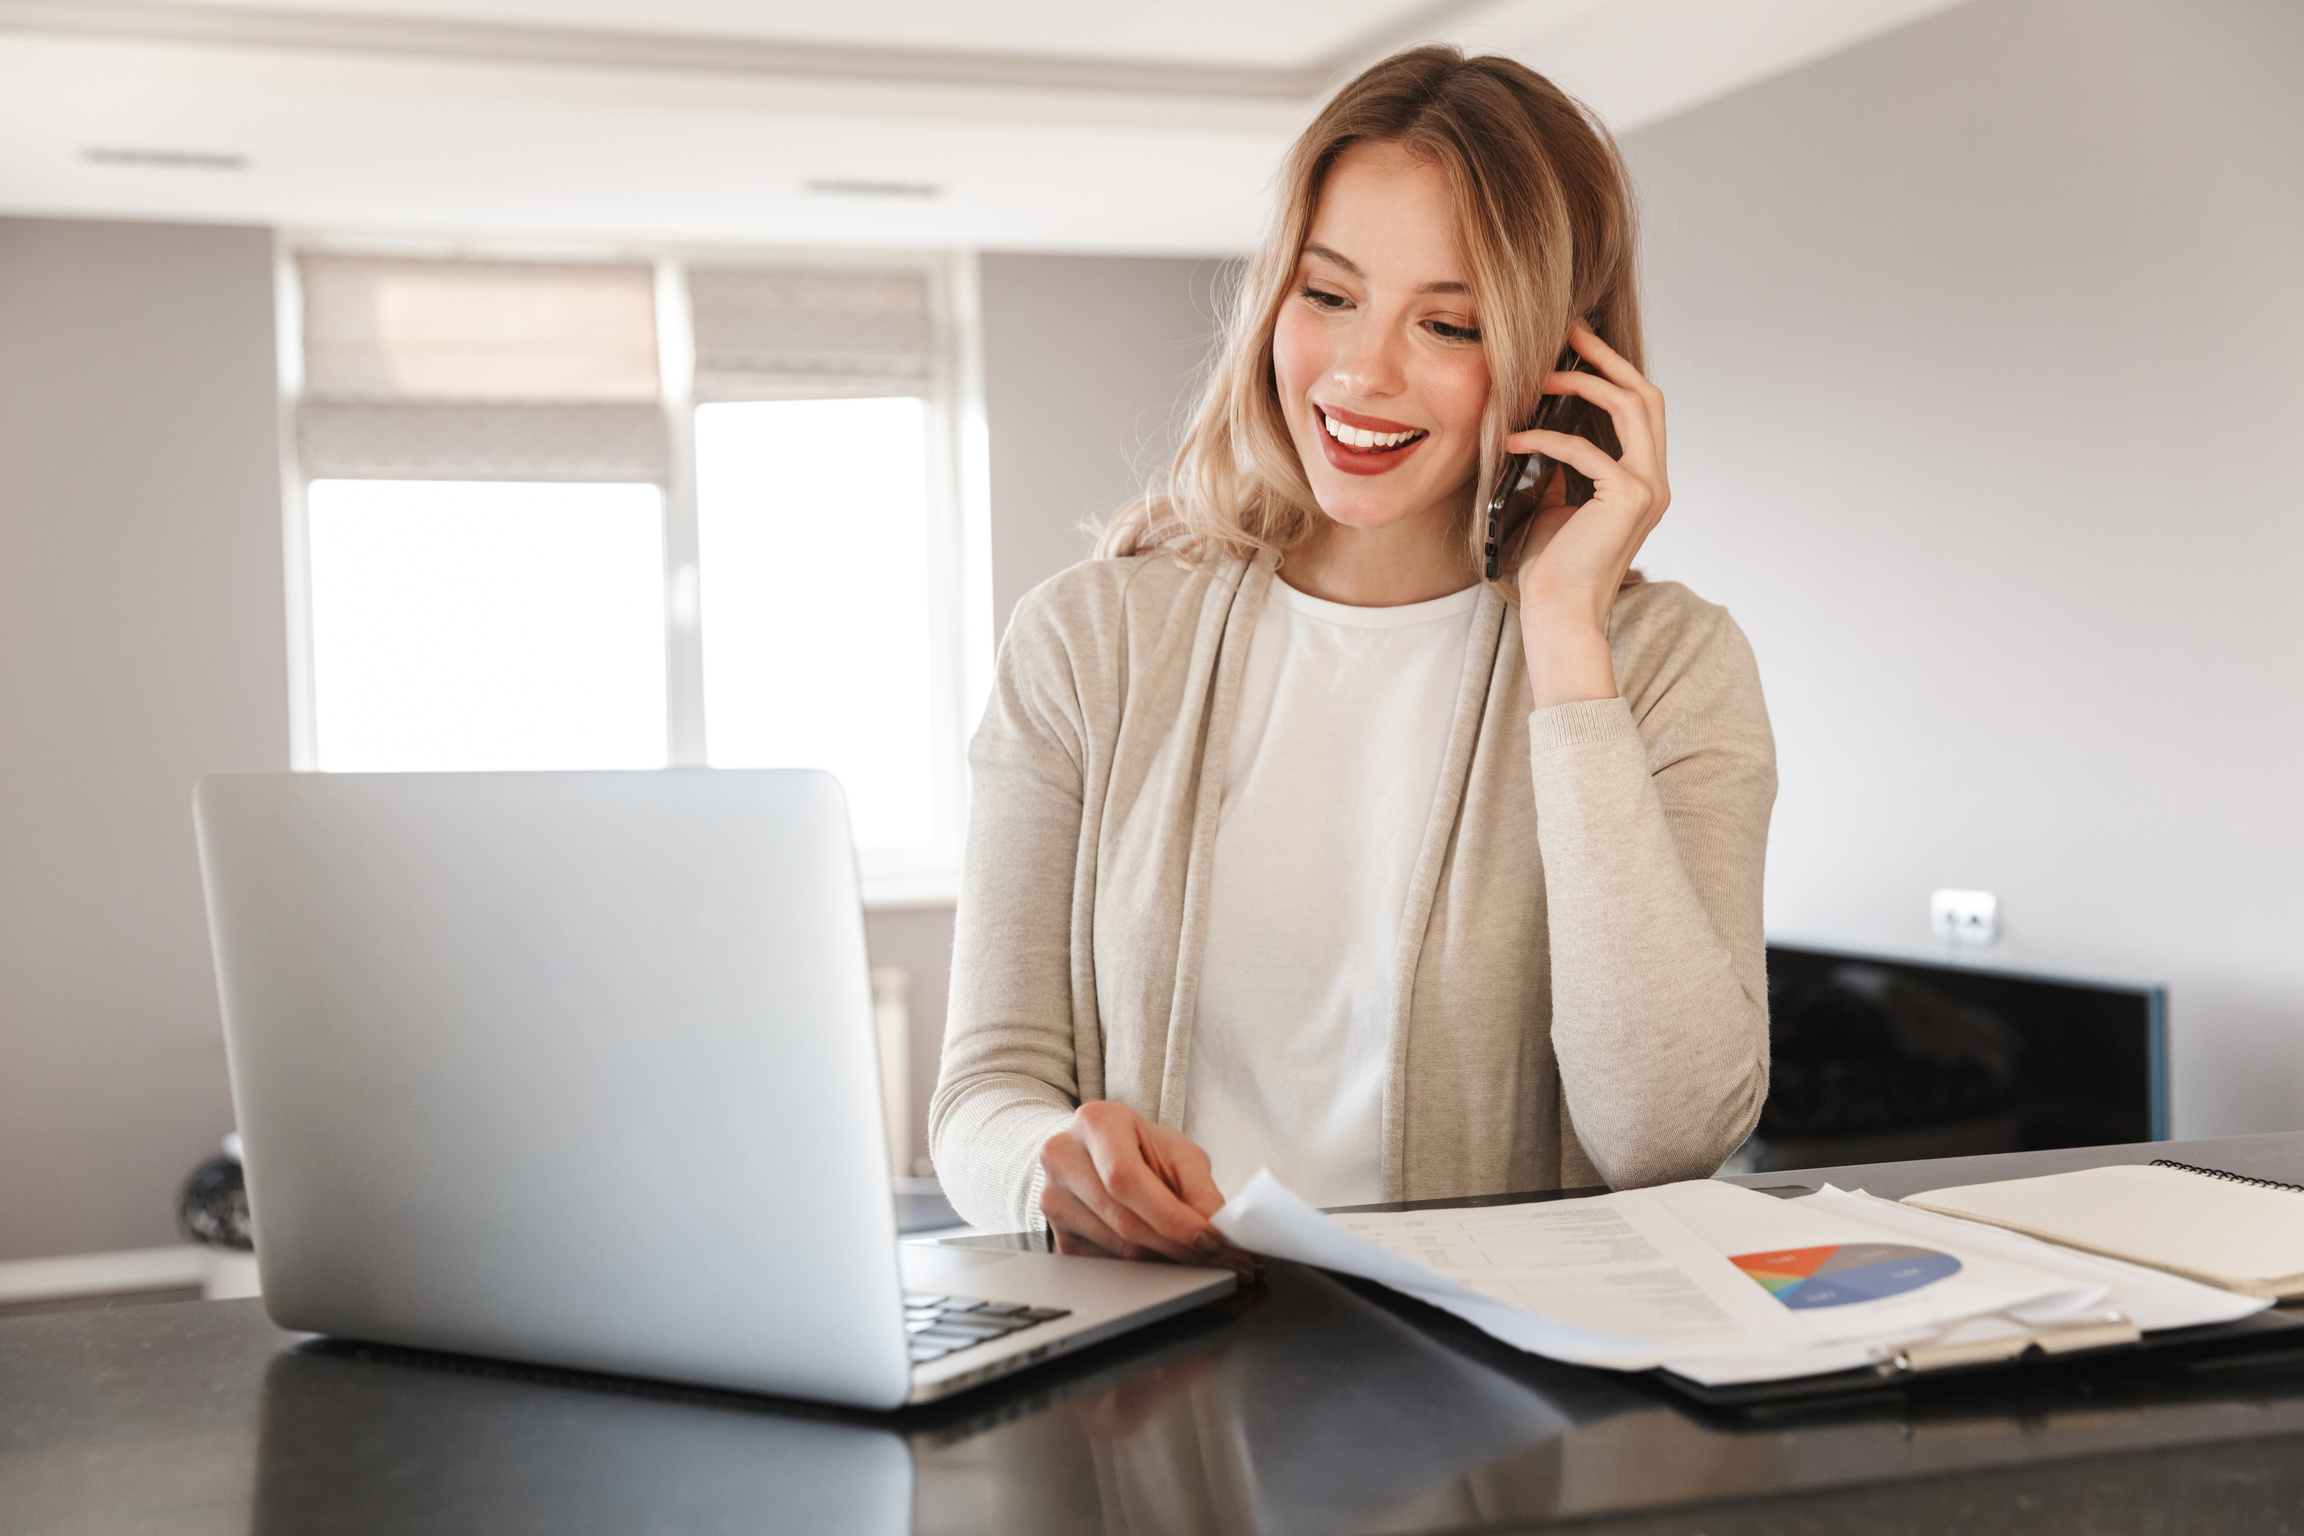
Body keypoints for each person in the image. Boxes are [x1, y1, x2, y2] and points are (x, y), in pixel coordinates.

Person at [930, 46, 1775, 1273]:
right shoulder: (1087, 642)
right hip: (1156, 1381)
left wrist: (1564, 633)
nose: (1360, 372)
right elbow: (983, 1097)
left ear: (1560, 360)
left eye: (1448, 322)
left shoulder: (1669, 667)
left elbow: (1664, 1136)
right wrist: (1045, 1166)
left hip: (1501, 1411)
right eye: (1328, 296)